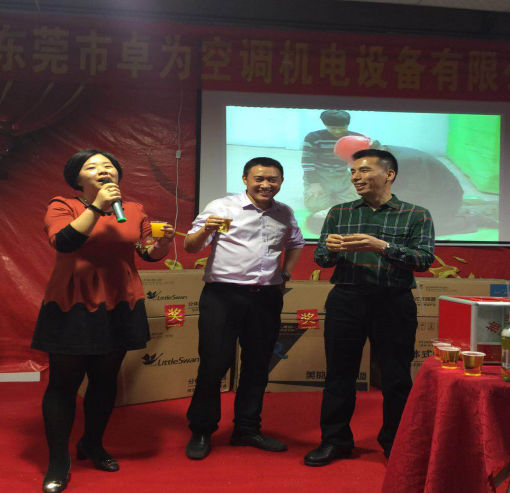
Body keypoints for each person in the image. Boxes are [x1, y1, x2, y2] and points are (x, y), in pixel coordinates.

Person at [31, 150, 175, 493]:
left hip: (120, 300)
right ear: (77, 178)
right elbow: (64, 242)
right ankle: (58, 460)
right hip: (73, 301)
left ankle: (92, 444)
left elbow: (147, 253)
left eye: (108, 166)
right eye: (92, 166)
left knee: (105, 378)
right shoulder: (63, 205)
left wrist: (163, 243)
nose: (103, 170)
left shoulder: (133, 209)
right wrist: (97, 206)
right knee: (63, 383)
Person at [304, 149, 435, 467]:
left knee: (396, 377)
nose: (355, 177)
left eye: (363, 170)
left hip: (393, 301)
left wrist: (382, 246)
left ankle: (396, 443)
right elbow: (321, 258)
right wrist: (330, 250)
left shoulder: (416, 214)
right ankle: (334, 441)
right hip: (346, 299)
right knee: (339, 375)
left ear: (389, 174)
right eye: (353, 172)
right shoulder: (339, 212)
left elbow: (424, 260)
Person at [184, 157, 305, 460]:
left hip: (266, 298)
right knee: (214, 364)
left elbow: (296, 242)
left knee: (257, 365)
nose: (266, 184)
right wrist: (205, 230)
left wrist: (285, 273)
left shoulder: (284, 212)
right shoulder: (222, 207)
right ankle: (201, 430)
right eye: (259, 178)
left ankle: (247, 429)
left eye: (273, 179)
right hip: (223, 297)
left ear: (281, 181)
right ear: (245, 179)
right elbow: (191, 246)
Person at [302, 110, 364, 214]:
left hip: (343, 175)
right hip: (320, 174)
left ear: (347, 125)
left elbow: (366, 160)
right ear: (325, 125)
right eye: (333, 128)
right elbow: (307, 163)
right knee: (315, 206)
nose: (338, 131)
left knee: (353, 206)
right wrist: (314, 183)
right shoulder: (313, 137)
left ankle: (333, 194)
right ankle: (328, 193)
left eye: (342, 128)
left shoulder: (356, 138)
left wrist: (356, 183)